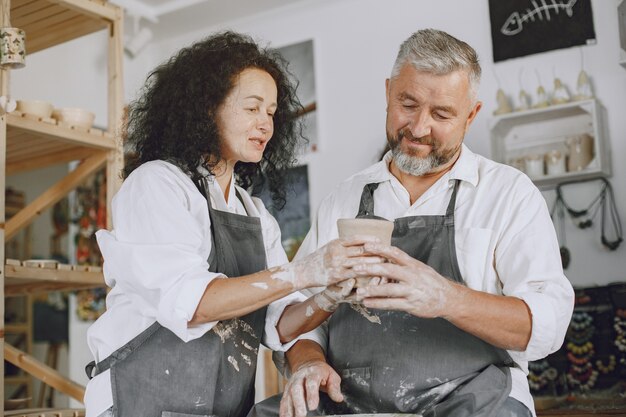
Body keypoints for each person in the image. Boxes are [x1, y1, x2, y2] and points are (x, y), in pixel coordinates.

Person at [258, 29, 575, 417]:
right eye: (407, 104)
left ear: (471, 115)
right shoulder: (342, 199)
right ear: (388, 92)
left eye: (442, 114)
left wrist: (447, 297)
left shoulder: (508, 194)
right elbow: (298, 319)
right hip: (349, 403)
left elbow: (546, 324)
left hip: (472, 401)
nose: (419, 128)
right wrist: (308, 362)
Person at [84, 31, 381, 417]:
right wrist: (303, 271)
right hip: (139, 401)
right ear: (207, 108)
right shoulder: (157, 184)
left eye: (272, 113)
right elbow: (193, 304)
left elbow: (279, 327)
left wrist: (332, 295)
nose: (265, 124)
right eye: (252, 108)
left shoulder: (253, 213)